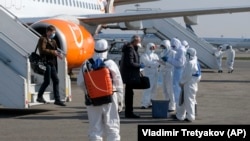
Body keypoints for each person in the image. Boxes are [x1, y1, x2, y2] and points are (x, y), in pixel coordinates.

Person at [77, 39, 124, 141]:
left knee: (95, 128)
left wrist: (89, 91)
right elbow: (118, 83)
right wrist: (120, 100)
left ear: (94, 49)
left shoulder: (86, 64)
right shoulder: (110, 63)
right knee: (112, 127)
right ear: (106, 50)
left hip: (92, 100)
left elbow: (80, 82)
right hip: (110, 98)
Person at [36, 25, 66, 106]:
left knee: (56, 80)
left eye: (54, 32)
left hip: (52, 62)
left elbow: (56, 50)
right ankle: (39, 96)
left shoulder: (53, 41)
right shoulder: (43, 39)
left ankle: (57, 99)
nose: (54, 34)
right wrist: (53, 52)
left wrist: (59, 54)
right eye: (53, 32)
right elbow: (42, 50)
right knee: (47, 81)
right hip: (46, 62)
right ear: (48, 32)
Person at [119, 35, 144, 118]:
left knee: (129, 93)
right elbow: (130, 63)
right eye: (139, 41)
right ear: (135, 41)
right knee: (129, 94)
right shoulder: (130, 49)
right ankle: (129, 112)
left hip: (129, 74)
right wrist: (139, 65)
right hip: (129, 75)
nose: (139, 43)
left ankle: (129, 111)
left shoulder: (131, 49)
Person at [175, 48, 201, 122]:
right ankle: (180, 115)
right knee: (184, 101)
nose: (186, 55)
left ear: (190, 54)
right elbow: (198, 76)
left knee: (189, 101)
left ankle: (190, 117)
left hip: (188, 84)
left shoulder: (190, 63)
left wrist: (181, 82)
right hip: (192, 84)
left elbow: (187, 75)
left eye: (187, 54)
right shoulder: (195, 62)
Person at [162, 38, 186, 110]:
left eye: (174, 46)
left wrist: (168, 60)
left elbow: (179, 63)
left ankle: (176, 108)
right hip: (173, 72)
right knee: (169, 90)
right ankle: (174, 107)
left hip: (175, 72)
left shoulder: (180, 51)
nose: (173, 48)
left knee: (175, 91)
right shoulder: (178, 50)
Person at [140, 42, 160, 109]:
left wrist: (154, 64)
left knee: (154, 89)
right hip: (148, 73)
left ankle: (151, 102)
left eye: (153, 47)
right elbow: (148, 63)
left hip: (155, 73)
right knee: (148, 89)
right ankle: (144, 103)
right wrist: (154, 63)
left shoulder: (155, 55)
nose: (152, 49)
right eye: (151, 47)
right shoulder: (144, 55)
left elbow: (158, 63)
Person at [158, 40, 176, 112]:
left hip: (170, 72)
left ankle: (172, 105)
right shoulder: (162, 52)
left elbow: (174, 64)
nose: (163, 48)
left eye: (164, 46)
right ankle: (167, 103)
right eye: (162, 46)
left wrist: (166, 62)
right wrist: (160, 62)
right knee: (164, 89)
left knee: (170, 89)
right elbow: (163, 63)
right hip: (164, 72)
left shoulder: (173, 53)